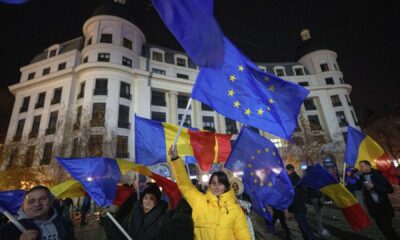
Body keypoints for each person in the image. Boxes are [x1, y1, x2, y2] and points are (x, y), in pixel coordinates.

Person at [168, 146, 251, 240]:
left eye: (220, 184)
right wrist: (175, 159)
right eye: (213, 183)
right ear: (209, 185)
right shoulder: (199, 201)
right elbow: (185, 185)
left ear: (226, 186)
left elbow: (244, 236)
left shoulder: (235, 209)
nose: (216, 187)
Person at [0, 185, 75, 240]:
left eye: (43, 198)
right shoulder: (10, 229)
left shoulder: (64, 223)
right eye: (31, 201)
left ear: (51, 201)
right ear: (23, 205)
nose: (37, 204)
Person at [356, 160, 399, 240]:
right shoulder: (362, 177)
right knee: (383, 228)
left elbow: (390, 189)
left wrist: (374, 186)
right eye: (360, 167)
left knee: (388, 228)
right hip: (374, 208)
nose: (360, 168)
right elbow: (357, 187)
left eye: (362, 166)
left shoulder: (378, 175)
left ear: (368, 166)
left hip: (383, 206)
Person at [286, 164, 316, 240]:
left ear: (291, 169)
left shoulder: (295, 178)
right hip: (297, 206)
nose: (287, 172)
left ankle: (311, 238)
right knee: (302, 226)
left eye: (288, 170)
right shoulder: (293, 178)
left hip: (298, 205)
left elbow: (296, 193)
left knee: (304, 225)